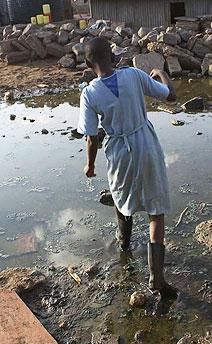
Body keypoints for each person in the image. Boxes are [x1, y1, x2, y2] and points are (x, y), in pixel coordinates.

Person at [77, 37, 178, 298]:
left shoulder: (89, 93)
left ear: (88, 64)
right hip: (145, 143)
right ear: (113, 56)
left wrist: (90, 164)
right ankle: (156, 278)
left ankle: (124, 247)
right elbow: (171, 97)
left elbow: (91, 136)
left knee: (122, 200)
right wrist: (162, 74)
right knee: (156, 211)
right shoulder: (133, 75)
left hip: (119, 151)